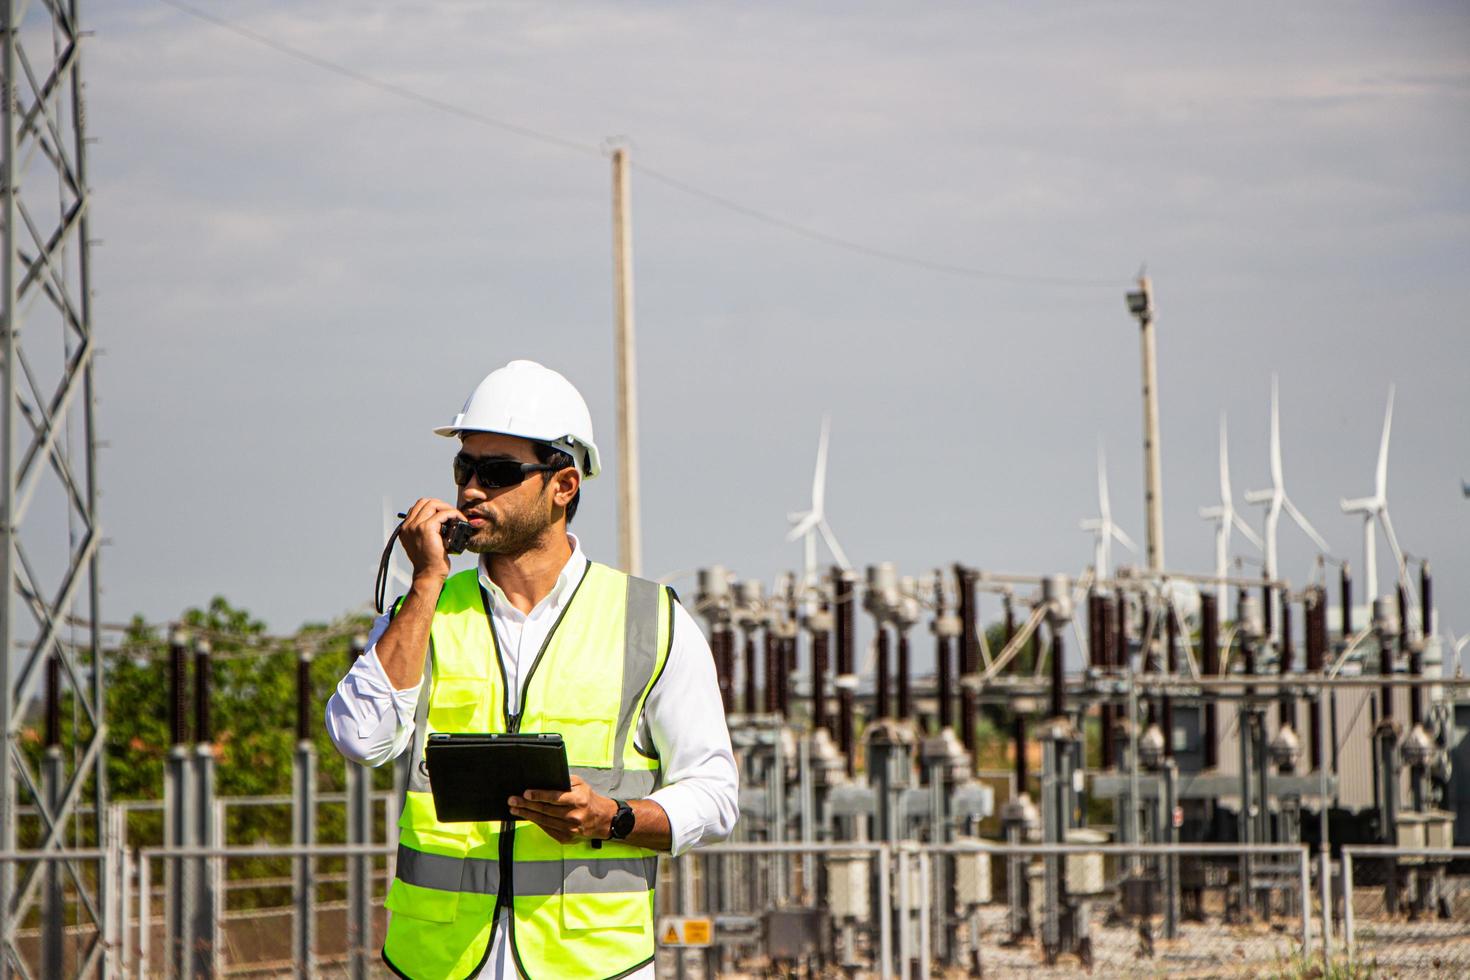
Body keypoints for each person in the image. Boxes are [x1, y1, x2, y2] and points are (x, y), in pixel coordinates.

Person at [326, 359, 738, 980]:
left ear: (563, 485)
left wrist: (614, 817)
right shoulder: (425, 609)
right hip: (440, 962)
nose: (470, 491)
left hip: (591, 967)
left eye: (497, 473)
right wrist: (427, 581)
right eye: (464, 468)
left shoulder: (652, 620)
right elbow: (361, 739)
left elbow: (715, 792)